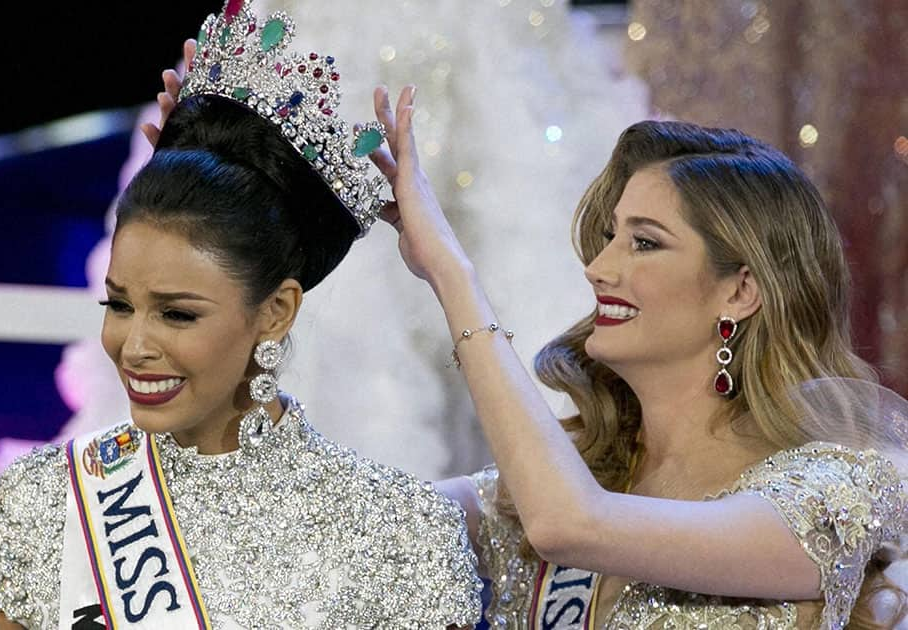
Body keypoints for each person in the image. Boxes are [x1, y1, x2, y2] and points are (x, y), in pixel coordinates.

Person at [0, 3, 483, 628]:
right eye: (119, 305)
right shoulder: (42, 502)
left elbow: (566, 515)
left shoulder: (400, 539)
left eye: (176, 314)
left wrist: (450, 272)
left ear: (277, 311)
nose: (134, 345)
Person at [368, 85, 908, 629]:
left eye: (644, 243)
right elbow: (367, 519)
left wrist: (451, 272)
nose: (598, 267)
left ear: (741, 291)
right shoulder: (562, 478)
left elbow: (570, 526)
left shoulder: (830, 492)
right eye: (610, 236)